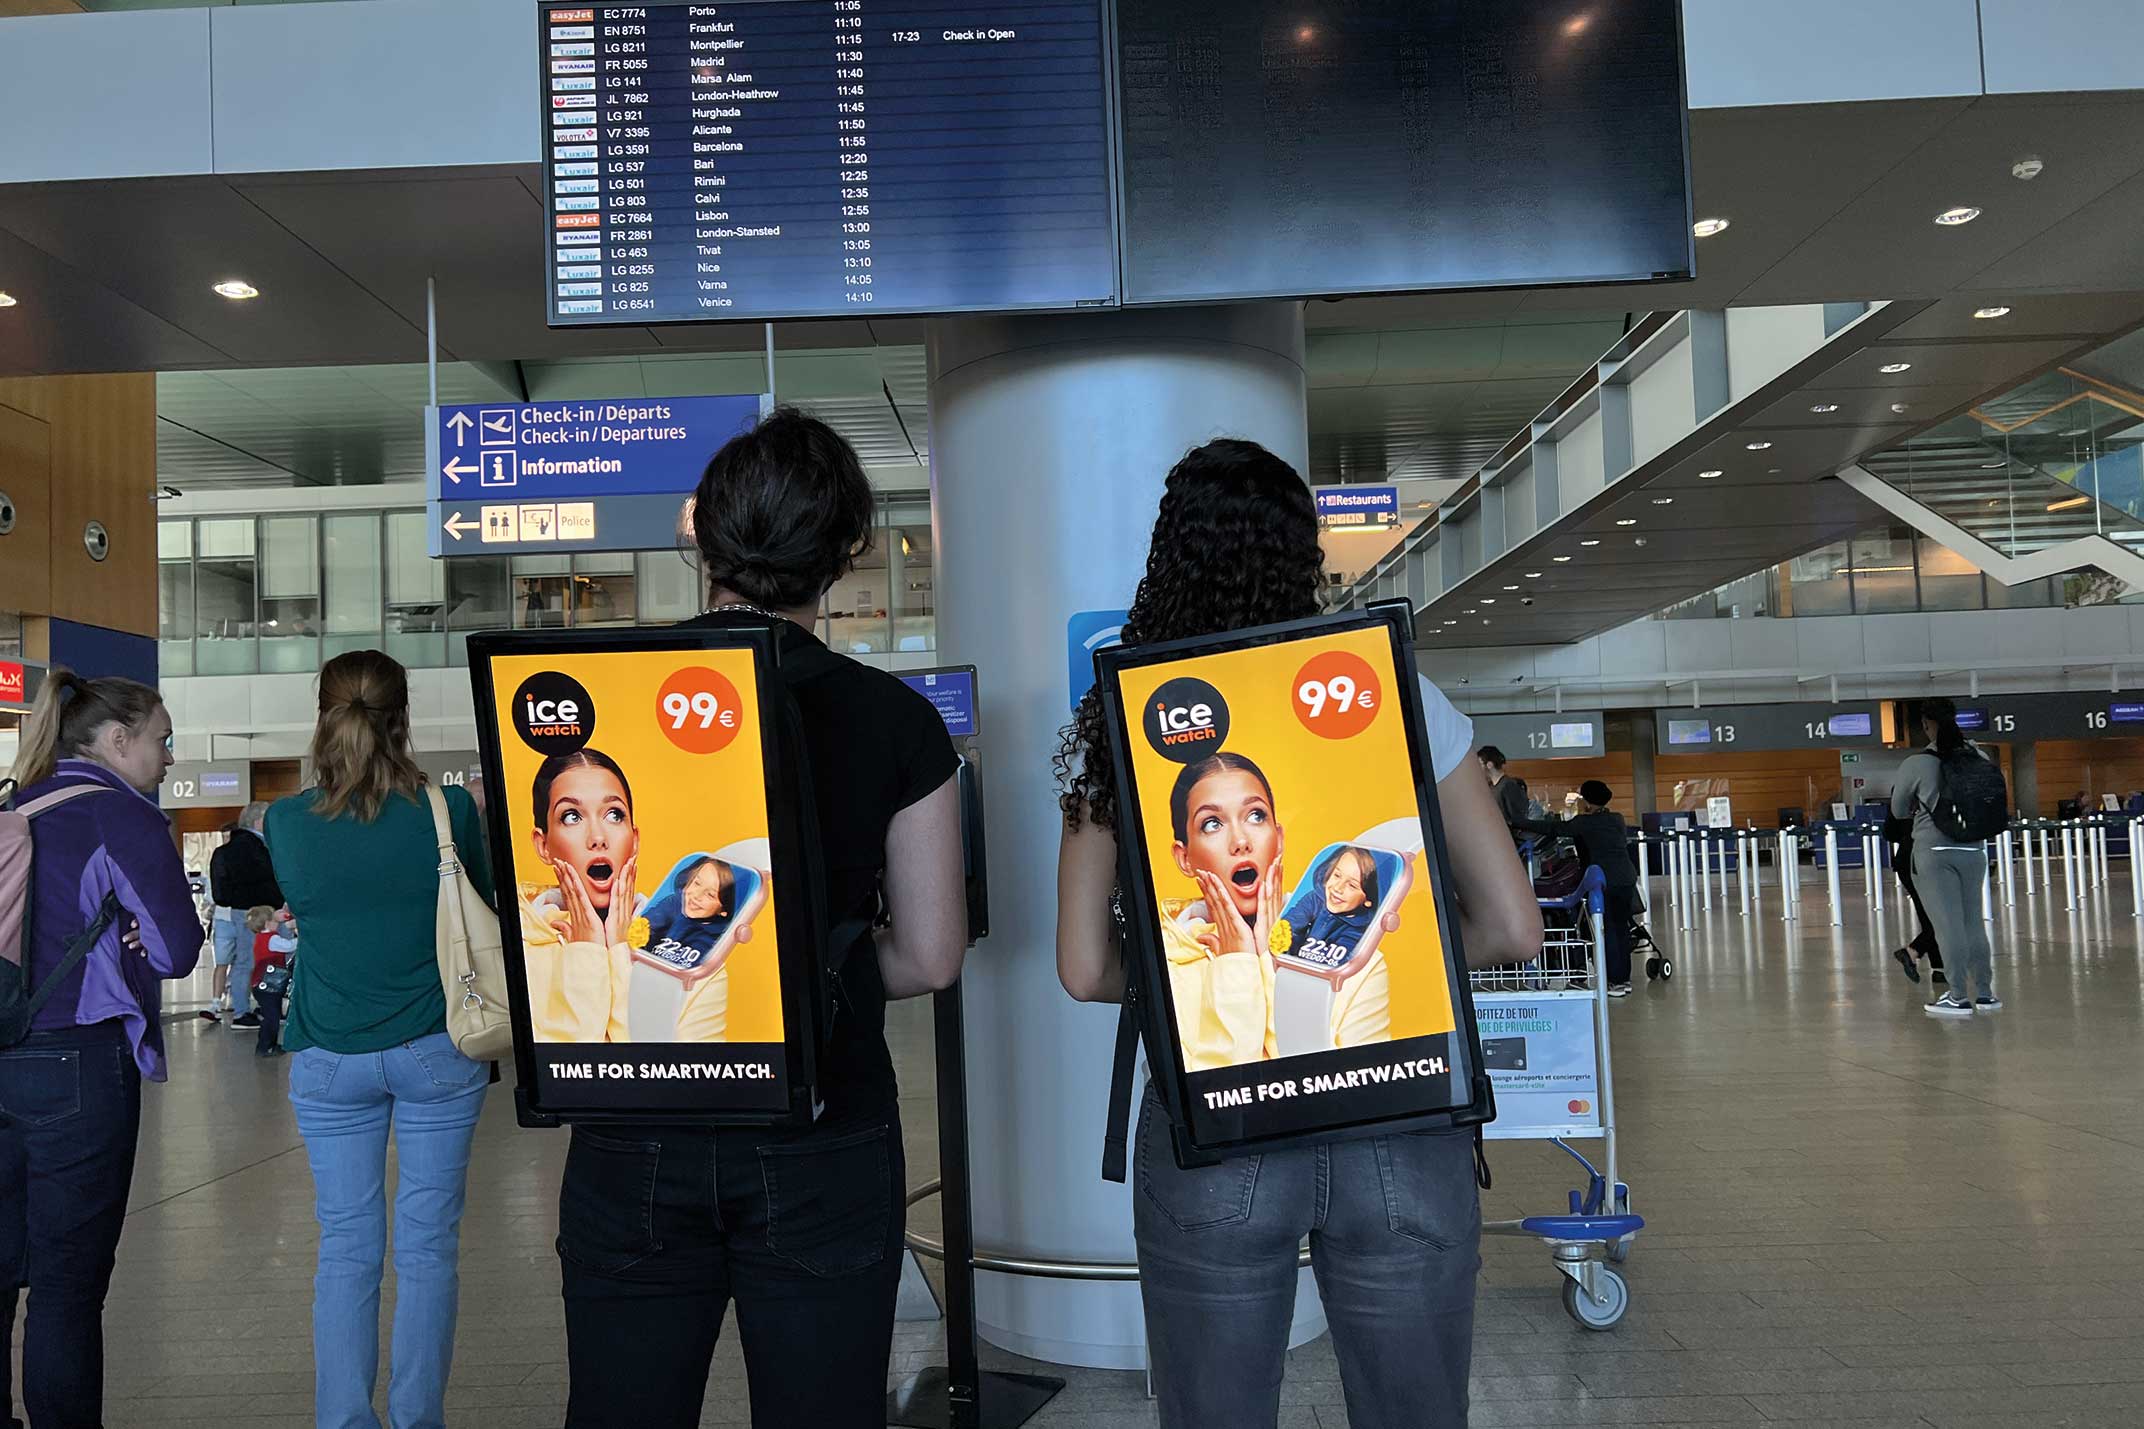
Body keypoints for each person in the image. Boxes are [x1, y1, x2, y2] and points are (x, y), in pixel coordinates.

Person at [1054, 438, 1543, 1429]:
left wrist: (1201, 971)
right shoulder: (1395, 691)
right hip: (1400, 1113)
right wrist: (1369, 952)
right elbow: (1512, 927)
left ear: (1167, 558)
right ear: (1303, 554)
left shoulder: (1122, 720)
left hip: (1215, 1128)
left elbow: (1081, 965)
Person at [556, 408, 968, 1429]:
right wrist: (811, 962)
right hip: (823, 1125)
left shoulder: (606, 704)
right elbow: (930, 954)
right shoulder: (896, 719)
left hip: (634, 1118)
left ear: (703, 538)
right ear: (846, 549)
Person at [266, 649, 493, 1429]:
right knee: (427, 1248)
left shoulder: (286, 821)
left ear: (322, 714)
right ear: (403, 716)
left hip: (329, 1055)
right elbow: (482, 905)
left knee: (346, 1247)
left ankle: (343, 1420)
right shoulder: (447, 810)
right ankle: (416, 1418)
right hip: (437, 1048)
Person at [1, 670, 203, 1428]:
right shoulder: (122, 816)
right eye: (162, 740)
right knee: (65, 1287)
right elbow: (177, 950)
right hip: (76, 1065)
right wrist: (133, 939)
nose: (169, 757)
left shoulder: (15, 805)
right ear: (118, 740)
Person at [1890, 696, 1999, 1017]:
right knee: (1973, 922)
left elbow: (1898, 810)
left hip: (1934, 852)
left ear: (1926, 725)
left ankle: (1957, 995)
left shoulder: (1917, 764)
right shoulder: (1979, 756)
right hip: (1974, 849)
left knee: (1947, 925)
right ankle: (1985, 993)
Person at [1512, 780, 1642, 996]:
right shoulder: (1617, 819)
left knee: (1608, 929)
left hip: (1604, 880)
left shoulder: (1584, 822)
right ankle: (1623, 980)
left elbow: (1554, 829)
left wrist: (1521, 822)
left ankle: (1615, 982)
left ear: (1588, 802)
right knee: (1621, 929)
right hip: (1626, 877)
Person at [207, 801, 281, 1029]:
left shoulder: (225, 851)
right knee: (269, 959)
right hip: (266, 910)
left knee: (245, 960)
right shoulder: (263, 849)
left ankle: (243, 1009)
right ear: (259, 822)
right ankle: (260, 1008)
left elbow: (220, 892)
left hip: (240, 911)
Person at [1883, 811, 1946, 987]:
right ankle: (1913, 950)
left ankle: (1940, 969)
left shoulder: (1901, 796)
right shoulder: (1936, 795)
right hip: (1930, 858)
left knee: (1928, 915)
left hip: (1906, 858)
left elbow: (1889, 832)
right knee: (1941, 916)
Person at [247, 905, 296, 1058]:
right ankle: (265, 1047)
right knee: (272, 1017)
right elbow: (290, 946)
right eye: (275, 921)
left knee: (271, 1015)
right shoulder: (272, 939)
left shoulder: (261, 938)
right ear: (268, 923)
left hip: (262, 984)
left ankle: (269, 1044)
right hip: (268, 985)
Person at [1478, 745, 1531, 847]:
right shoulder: (1490, 787)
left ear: (1489, 765)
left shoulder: (1508, 785)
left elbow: (1518, 817)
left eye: (1479, 764)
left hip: (1507, 841)